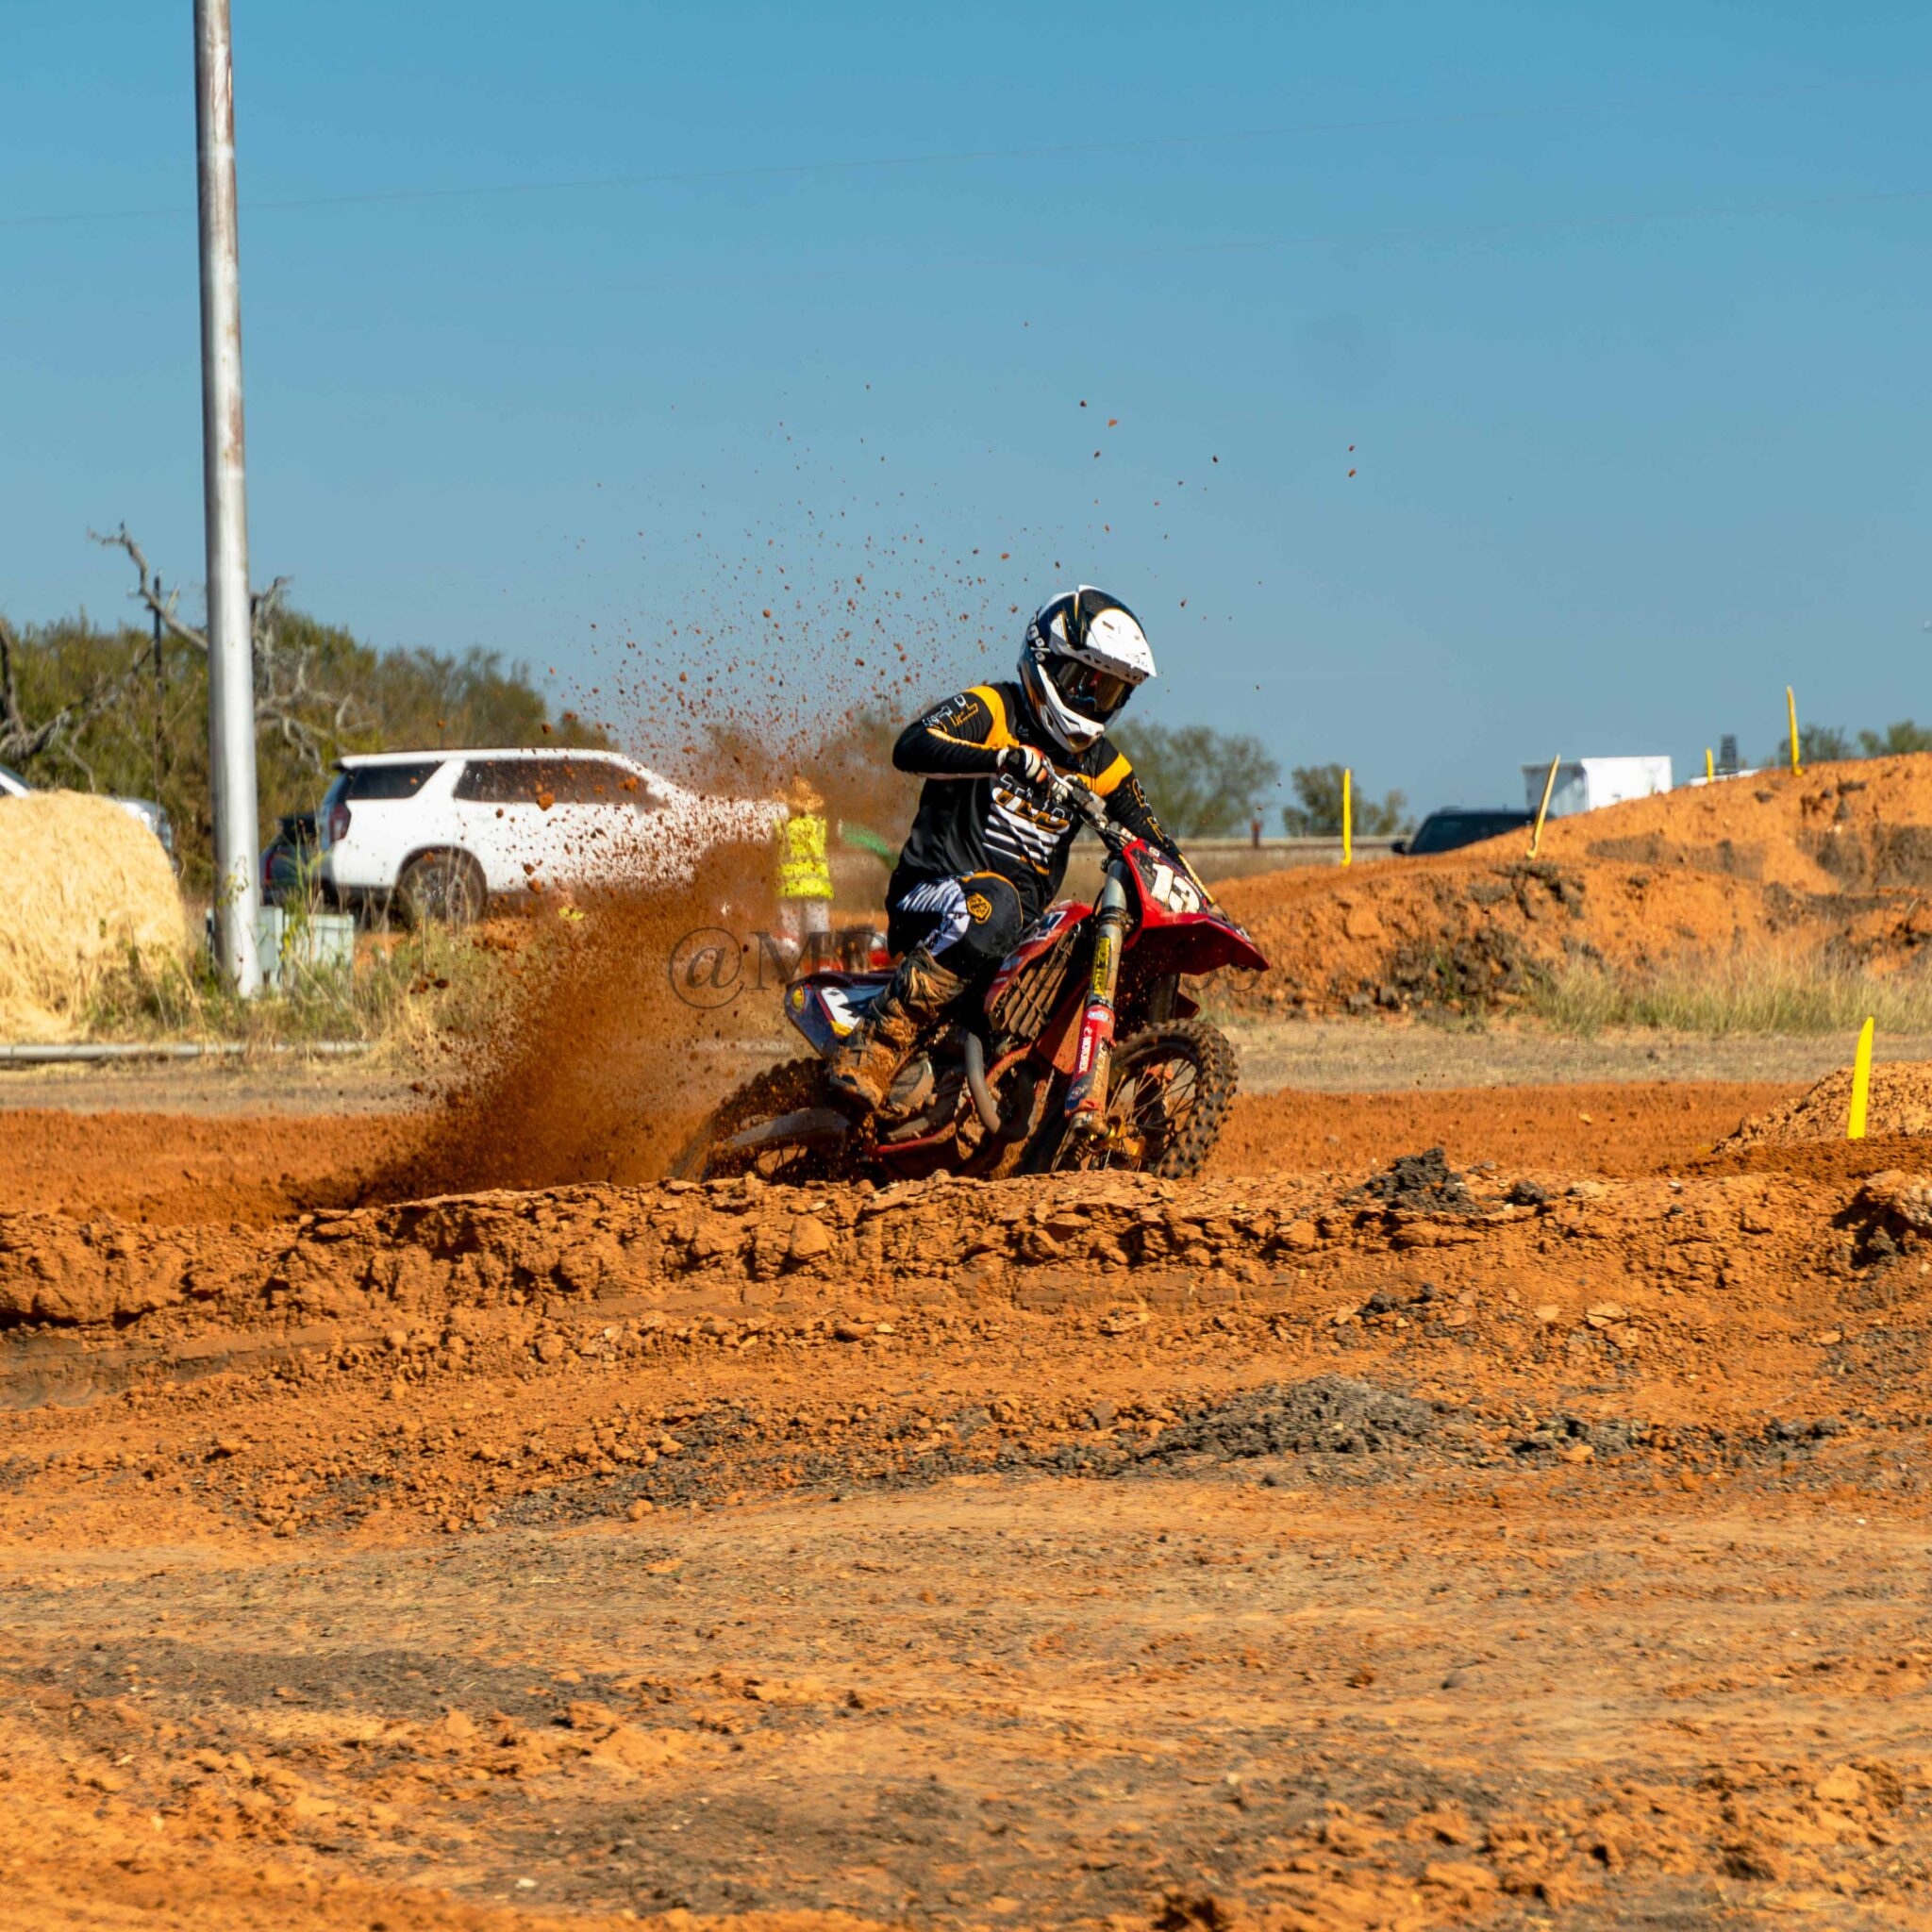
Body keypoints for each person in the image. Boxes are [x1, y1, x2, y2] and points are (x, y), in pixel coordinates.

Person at [827, 585, 1185, 1112]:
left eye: (1110, 693)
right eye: (1086, 683)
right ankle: (872, 1049)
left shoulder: (1102, 763)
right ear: (1048, 661)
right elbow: (911, 746)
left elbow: (1155, 841)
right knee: (994, 905)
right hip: (931, 896)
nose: (1093, 703)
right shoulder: (995, 707)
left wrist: (1202, 905)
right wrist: (1002, 758)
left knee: (1082, 934)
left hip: (1012, 929)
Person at [774, 776, 834, 970]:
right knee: (818, 936)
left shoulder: (780, 826)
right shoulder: (819, 825)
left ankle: (790, 973)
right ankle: (821, 974)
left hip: (789, 887)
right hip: (816, 887)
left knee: (790, 938)